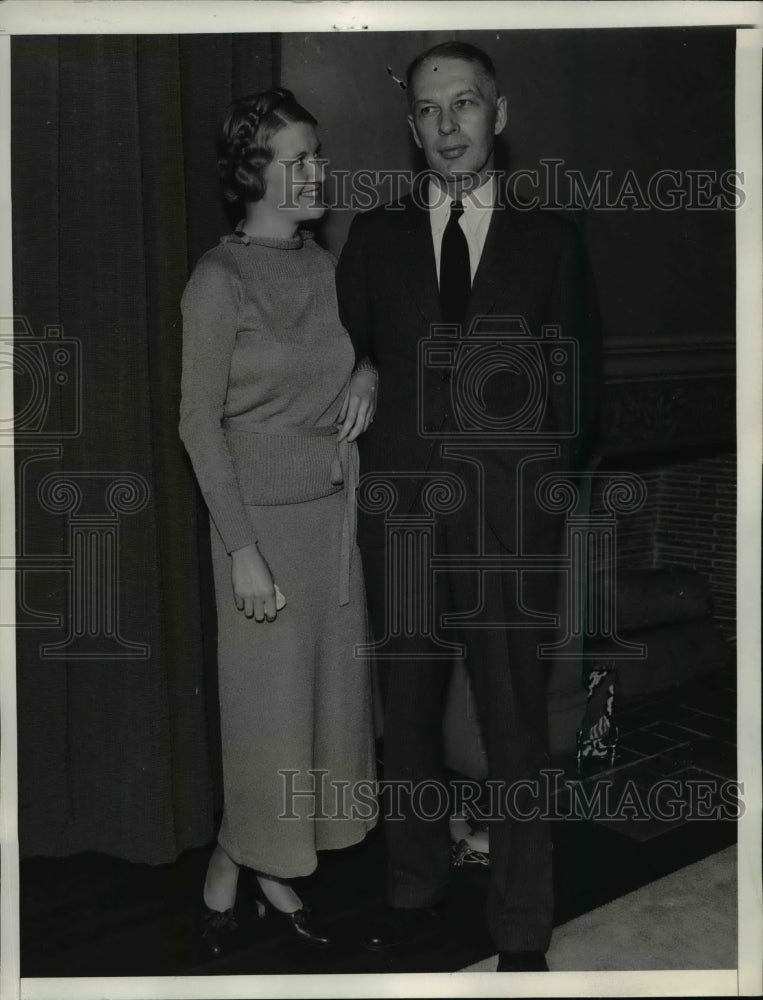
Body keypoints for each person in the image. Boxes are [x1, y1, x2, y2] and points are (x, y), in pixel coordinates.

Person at [336, 41, 601, 971]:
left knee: (515, 725)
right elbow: (352, 353)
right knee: (403, 717)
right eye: (428, 111)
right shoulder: (371, 237)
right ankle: (413, 892)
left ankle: (522, 928)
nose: (447, 126)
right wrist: (365, 361)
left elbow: (577, 395)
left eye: (464, 105)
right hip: (401, 522)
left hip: (507, 529)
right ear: (410, 128)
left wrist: (532, 504)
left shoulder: (549, 239)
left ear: (500, 112)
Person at [179, 88, 379, 957]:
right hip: (256, 529)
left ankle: (247, 860)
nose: (316, 173)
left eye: (319, 154)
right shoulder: (218, 279)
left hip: (332, 519)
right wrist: (243, 552)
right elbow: (197, 423)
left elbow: (363, 343)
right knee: (266, 723)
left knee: (324, 720)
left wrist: (367, 368)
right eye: (297, 158)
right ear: (252, 172)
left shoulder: (328, 267)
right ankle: (253, 865)